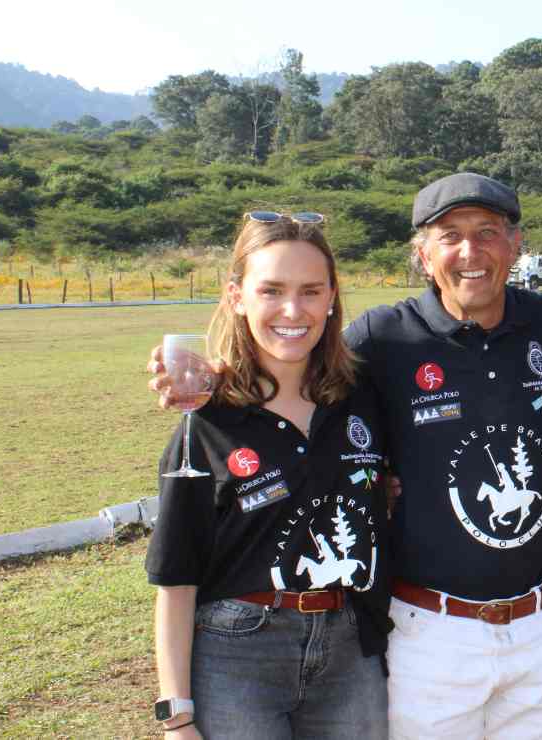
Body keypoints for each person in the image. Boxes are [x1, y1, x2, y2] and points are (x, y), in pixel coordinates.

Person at [342, 173, 542, 740]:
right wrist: (211, 379)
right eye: (450, 235)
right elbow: (293, 393)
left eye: (487, 232)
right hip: (428, 634)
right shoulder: (380, 339)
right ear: (422, 252)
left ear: (515, 245)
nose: (470, 253)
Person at [145, 212, 392, 738]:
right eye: (271, 290)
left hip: (350, 645)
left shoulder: (364, 395)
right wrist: (177, 716)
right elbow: (176, 577)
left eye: (310, 291)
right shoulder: (205, 419)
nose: (291, 310)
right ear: (237, 296)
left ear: (331, 298)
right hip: (239, 653)